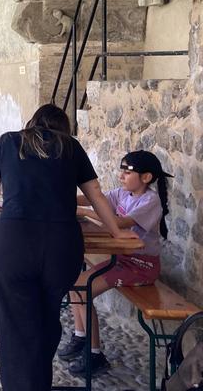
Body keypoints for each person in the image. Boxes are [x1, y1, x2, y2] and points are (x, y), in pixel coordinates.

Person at [0, 104, 138, 391]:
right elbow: (96, 194)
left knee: (14, 323)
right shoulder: (71, 147)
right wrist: (115, 231)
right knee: (47, 317)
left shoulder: (8, 141)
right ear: (62, 127)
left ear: (32, 122)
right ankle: (39, 383)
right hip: (62, 244)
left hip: (15, 240)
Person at [59, 150, 171, 377]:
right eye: (121, 170)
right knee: (75, 285)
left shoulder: (150, 201)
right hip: (121, 259)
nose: (121, 175)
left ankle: (95, 354)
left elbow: (119, 222)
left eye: (127, 171)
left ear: (146, 177)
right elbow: (93, 199)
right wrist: (62, 196)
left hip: (141, 266)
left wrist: (80, 210)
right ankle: (81, 337)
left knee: (84, 291)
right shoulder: (122, 193)